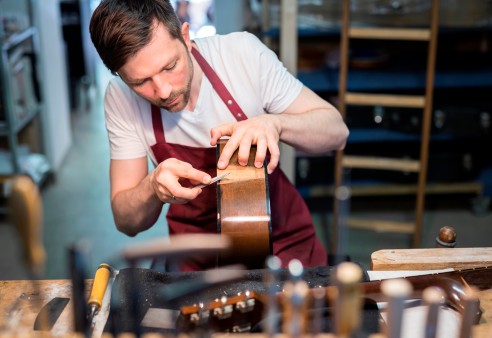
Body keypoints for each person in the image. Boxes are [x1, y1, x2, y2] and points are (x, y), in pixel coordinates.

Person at [89, 0, 349, 271]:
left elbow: (336, 132)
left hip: (280, 242)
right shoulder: (120, 98)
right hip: (195, 258)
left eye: (170, 67)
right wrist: (152, 186)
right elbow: (126, 221)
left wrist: (275, 124)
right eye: (141, 82)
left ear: (186, 37)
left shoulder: (241, 55)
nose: (164, 91)